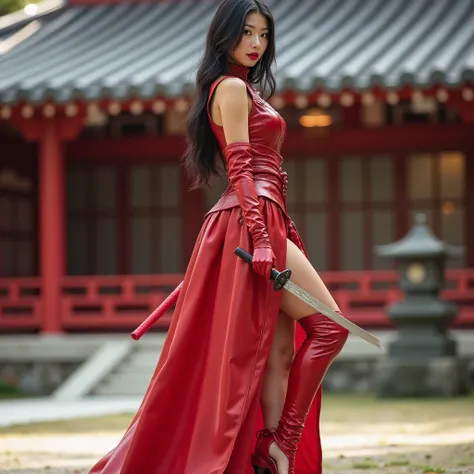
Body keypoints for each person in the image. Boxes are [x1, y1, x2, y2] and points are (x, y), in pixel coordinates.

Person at [88, 1, 348, 473]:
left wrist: (275, 228)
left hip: (265, 216)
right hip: (249, 222)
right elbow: (241, 167)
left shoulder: (247, 90)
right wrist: (263, 240)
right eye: (246, 33)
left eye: (263, 35)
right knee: (330, 328)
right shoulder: (228, 87)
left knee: (281, 352)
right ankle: (282, 444)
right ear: (224, 35)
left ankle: (266, 453)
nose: (256, 44)